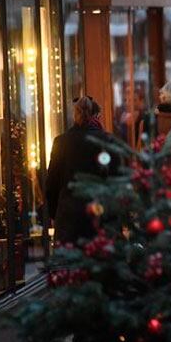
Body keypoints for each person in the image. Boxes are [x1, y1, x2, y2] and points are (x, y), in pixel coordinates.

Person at [45, 96, 118, 244]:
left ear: (75, 115)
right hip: (100, 217)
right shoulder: (108, 141)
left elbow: (51, 183)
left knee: (69, 265)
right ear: (97, 115)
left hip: (69, 218)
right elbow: (117, 180)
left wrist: (55, 213)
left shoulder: (61, 142)